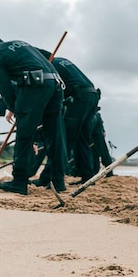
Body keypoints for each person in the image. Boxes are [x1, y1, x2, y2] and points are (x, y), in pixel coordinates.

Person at [0, 38, 68, 194]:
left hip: (34, 85)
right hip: (55, 84)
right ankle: (58, 182)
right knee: (55, 135)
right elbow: (47, 55)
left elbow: (4, 87)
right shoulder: (18, 43)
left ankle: (19, 181)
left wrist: (16, 109)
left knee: (24, 135)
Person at [36, 50, 100, 185]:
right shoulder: (61, 60)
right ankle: (88, 177)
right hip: (92, 96)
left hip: (79, 97)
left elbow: (52, 92)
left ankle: (47, 178)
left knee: (63, 139)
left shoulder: (48, 66)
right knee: (82, 138)